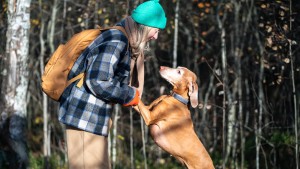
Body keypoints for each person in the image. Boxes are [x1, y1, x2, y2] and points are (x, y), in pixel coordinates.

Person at [58, 0, 167, 168]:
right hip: (85, 117)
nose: (155, 36)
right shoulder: (116, 41)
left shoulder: (122, 39)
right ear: (144, 26)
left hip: (92, 119)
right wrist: (130, 95)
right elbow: (97, 81)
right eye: (155, 30)